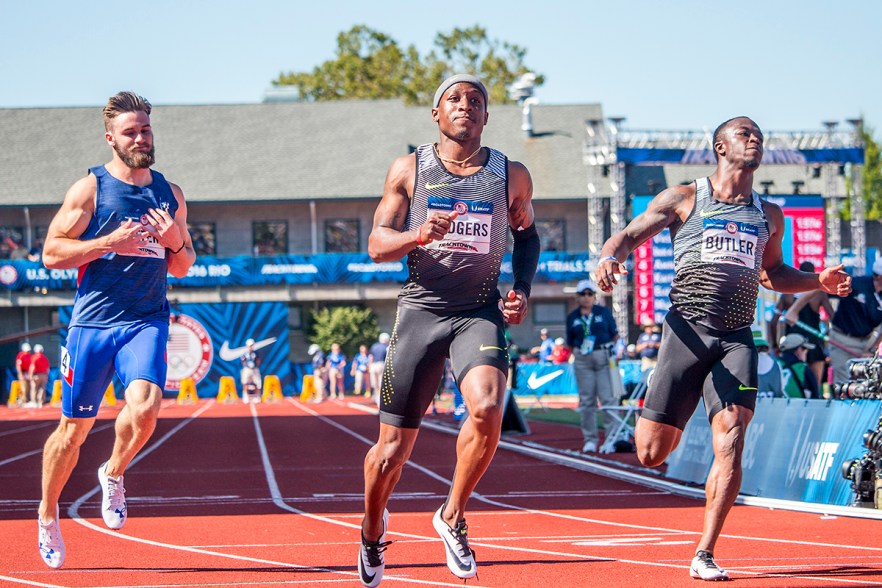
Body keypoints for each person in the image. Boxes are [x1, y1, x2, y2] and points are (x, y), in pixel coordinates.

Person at [594, 116, 851, 581]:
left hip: (736, 337)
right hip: (685, 334)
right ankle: (672, 394)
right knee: (651, 453)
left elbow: (773, 275)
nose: (754, 141)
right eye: (744, 135)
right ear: (720, 147)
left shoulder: (768, 214)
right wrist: (610, 257)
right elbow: (628, 236)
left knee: (732, 434)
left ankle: (705, 552)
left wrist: (818, 281)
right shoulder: (685, 198)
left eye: (758, 136)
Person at [358, 73, 539, 586]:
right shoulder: (410, 169)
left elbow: (528, 238)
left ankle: (453, 515)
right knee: (391, 451)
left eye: (476, 101)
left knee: (487, 406)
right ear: (436, 115)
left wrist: (521, 288)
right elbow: (375, 244)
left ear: (486, 116)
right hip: (421, 311)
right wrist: (416, 235)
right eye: (454, 100)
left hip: (478, 310)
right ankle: (373, 530)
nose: (466, 106)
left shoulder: (512, 174)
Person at [36, 91, 195, 569]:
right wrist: (108, 241)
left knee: (146, 408)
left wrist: (173, 242)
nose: (141, 138)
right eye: (131, 132)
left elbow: (184, 266)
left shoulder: (171, 193)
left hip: (146, 318)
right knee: (72, 431)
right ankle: (46, 515)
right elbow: (50, 254)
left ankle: (114, 471)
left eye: (146, 129)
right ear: (111, 139)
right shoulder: (91, 190)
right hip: (92, 324)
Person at [565, 278, 618, 453]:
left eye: (590, 293)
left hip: (603, 356)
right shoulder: (572, 317)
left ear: (594, 296)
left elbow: (614, 335)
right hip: (582, 358)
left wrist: (609, 351)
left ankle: (612, 438)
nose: (586, 297)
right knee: (587, 401)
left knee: (608, 399)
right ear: (577, 297)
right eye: (583, 294)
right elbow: (570, 342)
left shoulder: (603, 312)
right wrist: (578, 354)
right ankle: (590, 439)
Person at [826, 257, 882, 384]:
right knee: (844, 385)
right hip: (842, 341)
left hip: (867, 344)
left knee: (867, 385)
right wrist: (794, 310)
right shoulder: (855, 284)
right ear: (878, 276)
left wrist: (872, 349)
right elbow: (821, 290)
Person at [781, 261, 834, 386]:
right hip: (813, 342)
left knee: (793, 382)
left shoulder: (787, 293)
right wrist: (827, 336)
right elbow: (834, 318)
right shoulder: (819, 294)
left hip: (792, 343)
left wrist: (775, 344)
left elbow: (773, 321)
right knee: (815, 385)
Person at [777, 333, 821, 399]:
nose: (807, 352)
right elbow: (815, 397)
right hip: (799, 408)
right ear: (798, 350)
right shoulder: (804, 369)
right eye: (805, 349)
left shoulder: (775, 365)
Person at [368, 333, 390, 402]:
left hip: (373, 365)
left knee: (375, 382)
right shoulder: (387, 347)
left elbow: (371, 357)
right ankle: (380, 397)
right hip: (381, 365)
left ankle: (376, 396)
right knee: (381, 382)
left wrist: (369, 365)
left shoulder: (374, 346)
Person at [240, 338, 262, 404]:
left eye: (252, 345)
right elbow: (243, 361)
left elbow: (258, 360)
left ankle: (257, 396)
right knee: (245, 383)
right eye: (250, 346)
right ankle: (245, 396)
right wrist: (247, 366)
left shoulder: (255, 353)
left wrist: (255, 366)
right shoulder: (245, 354)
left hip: (254, 369)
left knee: (256, 383)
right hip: (247, 369)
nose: (251, 347)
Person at [14, 342, 32, 407]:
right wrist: (21, 374)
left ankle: (27, 400)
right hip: (23, 372)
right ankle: (23, 401)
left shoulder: (29, 356)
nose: (28, 352)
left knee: (28, 387)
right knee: (24, 387)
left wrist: (30, 374)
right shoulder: (20, 355)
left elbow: (31, 365)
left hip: (27, 373)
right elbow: (18, 366)